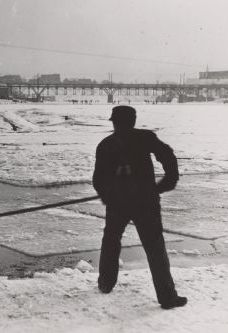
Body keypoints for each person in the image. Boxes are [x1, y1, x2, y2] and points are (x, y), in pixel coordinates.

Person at [92, 105, 187, 310]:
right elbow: (168, 155)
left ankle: (106, 283)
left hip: (119, 204)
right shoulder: (145, 138)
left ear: (115, 122)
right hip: (146, 202)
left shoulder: (106, 145)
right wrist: (167, 182)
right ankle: (167, 297)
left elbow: (98, 179)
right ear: (133, 121)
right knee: (155, 247)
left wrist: (109, 197)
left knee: (111, 241)